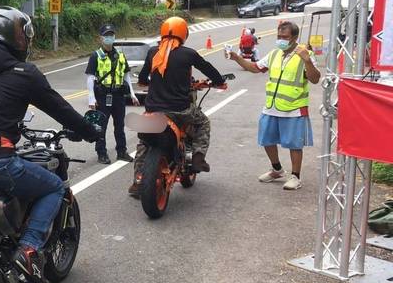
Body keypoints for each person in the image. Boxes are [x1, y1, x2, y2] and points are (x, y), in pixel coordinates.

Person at [0, 7, 100, 283]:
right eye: (25, 34)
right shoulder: (24, 73)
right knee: (54, 187)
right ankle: (28, 249)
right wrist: (90, 131)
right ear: (16, 37)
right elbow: (61, 109)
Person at [129, 17, 227, 196]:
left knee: (144, 142)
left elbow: (143, 79)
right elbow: (209, 69)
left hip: (152, 111)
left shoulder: (153, 52)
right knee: (203, 123)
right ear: (184, 34)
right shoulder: (188, 53)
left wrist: (149, 82)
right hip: (180, 111)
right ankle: (197, 157)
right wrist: (219, 82)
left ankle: (138, 181)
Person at [229, 21, 321, 191]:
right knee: (266, 139)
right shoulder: (274, 54)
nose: (280, 39)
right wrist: (236, 58)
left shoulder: (305, 55)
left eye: (284, 37)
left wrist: (307, 60)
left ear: (294, 37)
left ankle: (295, 176)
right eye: (279, 36)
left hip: (294, 107)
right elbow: (255, 68)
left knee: (294, 144)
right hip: (271, 105)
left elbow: (315, 79)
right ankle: (277, 169)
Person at [85, 24, 138, 164]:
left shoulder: (120, 55)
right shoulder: (96, 56)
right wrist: (91, 98)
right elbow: (90, 77)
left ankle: (122, 151)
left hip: (119, 96)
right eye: (106, 35)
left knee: (120, 125)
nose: (109, 38)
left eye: (111, 35)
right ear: (100, 38)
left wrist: (132, 93)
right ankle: (101, 153)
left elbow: (126, 75)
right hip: (102, 95)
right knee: (101, 126)